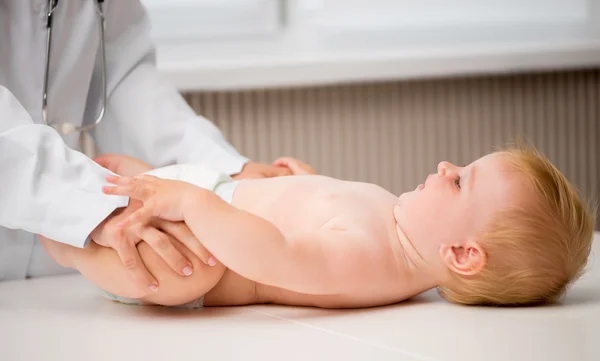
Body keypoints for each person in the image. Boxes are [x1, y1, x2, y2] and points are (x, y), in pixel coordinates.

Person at [41, 143, 597, 308]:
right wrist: (307, 184)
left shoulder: (374, 261)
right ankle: (134, 186)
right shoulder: (393, 226)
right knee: (121, 174)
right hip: (215, 198)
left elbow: (277, 255)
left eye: (461, 183)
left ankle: (68, 250)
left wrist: (191, 202)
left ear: (463, 255)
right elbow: (330, 211)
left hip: (199, 246)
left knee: (179, 278)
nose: (448, 166)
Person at [0, 0, 298, 297]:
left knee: (177, 266)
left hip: (63, 275)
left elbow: (119, 72)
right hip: (64, 235)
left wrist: (223, 175)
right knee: (179, 268)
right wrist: (92, 206)